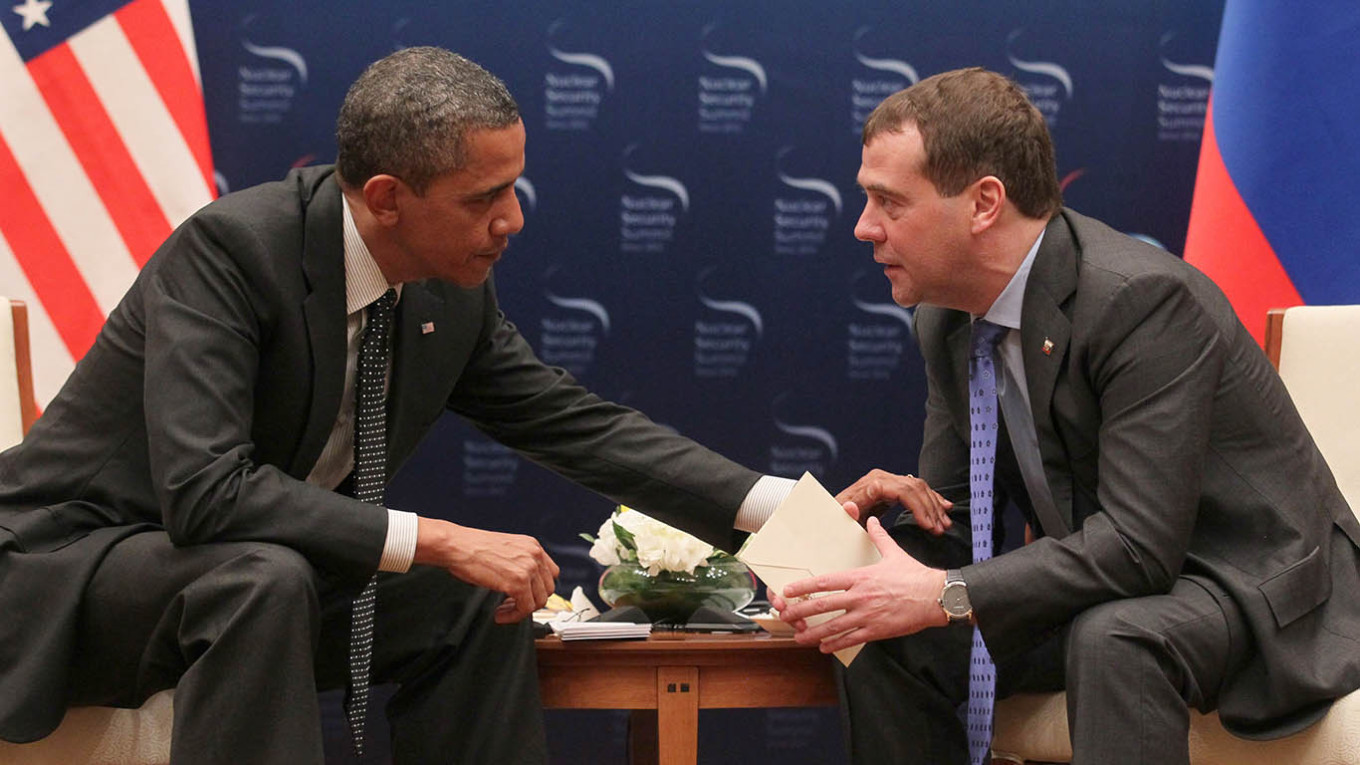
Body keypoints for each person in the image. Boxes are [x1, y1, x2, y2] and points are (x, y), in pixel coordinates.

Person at [0, 47, 793, 764]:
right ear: (386, 198)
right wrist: (439, 536)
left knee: (473, 596)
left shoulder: (446, 292)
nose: (511, 219)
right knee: (264, 575)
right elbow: (206, 493)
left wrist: (784, 513)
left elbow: (583, 427)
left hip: (243, 583)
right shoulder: (233, 252)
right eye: (485, 197)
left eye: (513, 187)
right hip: (69, 573)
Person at [771, 67, 1360, 765]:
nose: (865, 228)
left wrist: (942, 591)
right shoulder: (947, 319)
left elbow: (1139, 546)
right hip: (1121, 586)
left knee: (1115, 635)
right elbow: (956, 527)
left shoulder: (1141, 302)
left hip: (1259, 587)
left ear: (984, 203)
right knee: (886, 630)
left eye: (888, 202)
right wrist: (860, 562)